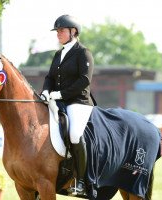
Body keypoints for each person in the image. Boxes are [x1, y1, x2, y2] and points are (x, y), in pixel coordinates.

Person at [40, 14, 96, 195]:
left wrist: (61, 94)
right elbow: (49, 77)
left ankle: (81, 181)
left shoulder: (83, 52)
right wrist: (46, 91)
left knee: (74, 134)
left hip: (78, 102)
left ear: (73, 32)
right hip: (57, 99)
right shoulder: (59, 54)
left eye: (61, 30)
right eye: (57, 31)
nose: (58, 34)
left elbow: (84, 80)